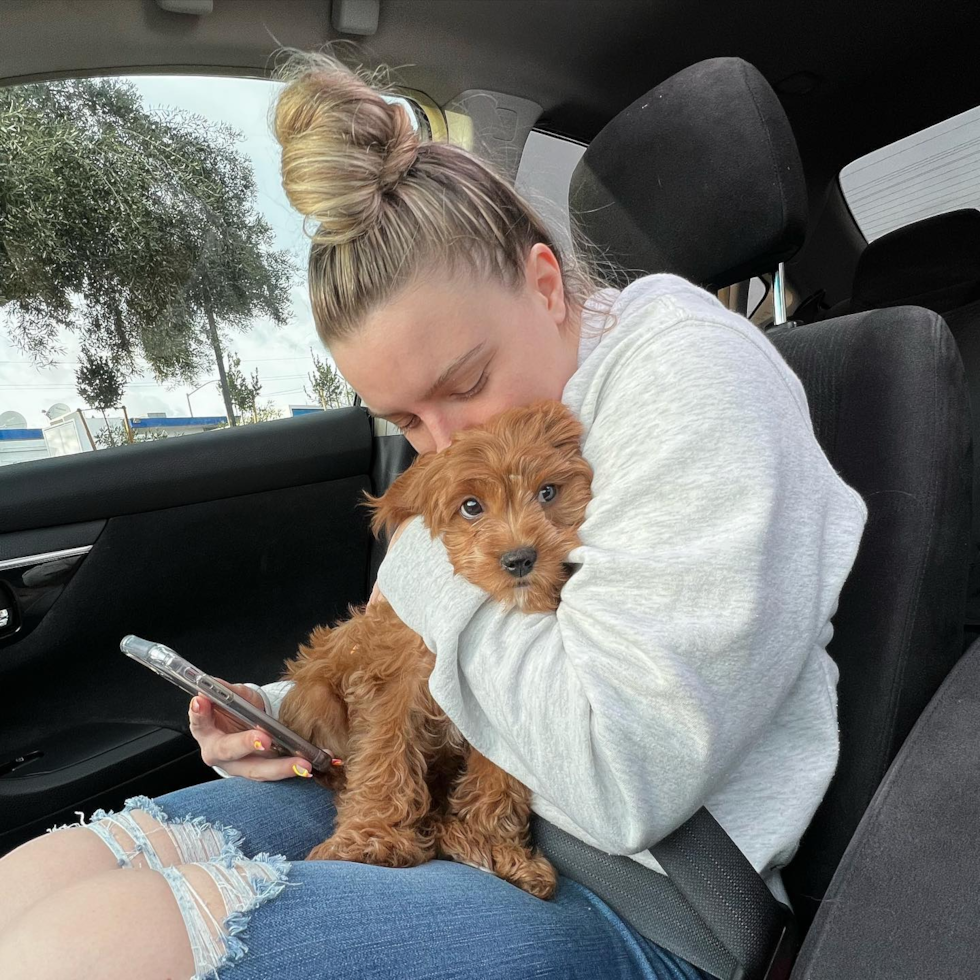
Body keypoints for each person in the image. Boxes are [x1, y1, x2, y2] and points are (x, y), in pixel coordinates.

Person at [0, 52, 867, 980]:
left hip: (638, 892)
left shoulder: (694, 379)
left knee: (84, 951)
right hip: (452, 787)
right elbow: (420, 650)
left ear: (545, 284)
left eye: (466, 383)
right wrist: (286, 714)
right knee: (34, 883)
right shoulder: (498, 440)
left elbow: (622, 780)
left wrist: (421, 561)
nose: (444, 445)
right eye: (407, 421)